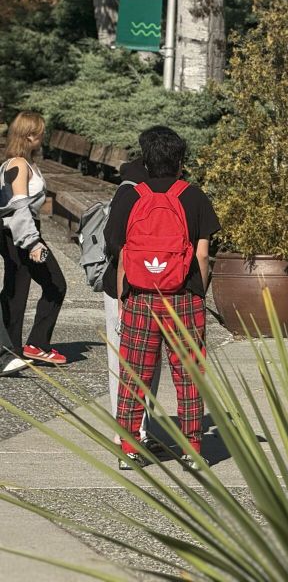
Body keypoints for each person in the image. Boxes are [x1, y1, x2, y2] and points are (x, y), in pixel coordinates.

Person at [105, 126, 220, 471]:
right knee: (188, 374)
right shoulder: (194, 196)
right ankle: (193, 449)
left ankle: (128, 447)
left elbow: (121, 251)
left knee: (134, 373)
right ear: (180, 161)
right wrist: (199, 291)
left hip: (140, 295)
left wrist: (126, 295)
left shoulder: (130, 196)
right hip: (184, 297)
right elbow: (202, 256)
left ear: (145, 160)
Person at [102, 154, 163, 451]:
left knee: (123, 358)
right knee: (150, 360)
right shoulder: (169, 190)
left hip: (123, 284)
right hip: (160, 285)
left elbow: (112, 240)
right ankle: (135, 428)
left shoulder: (127, 190)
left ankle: (131, 428)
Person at [1, 112, 67, 365]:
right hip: (21, 234)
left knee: (16, 290)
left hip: (20, 232)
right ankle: (27, 347)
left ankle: (15, 349)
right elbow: (18, 206)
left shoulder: (22, 163)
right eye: (40, 132)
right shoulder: (17, 165)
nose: (43, 136)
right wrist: (32, 242)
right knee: (53, 284)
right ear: (29, 135)